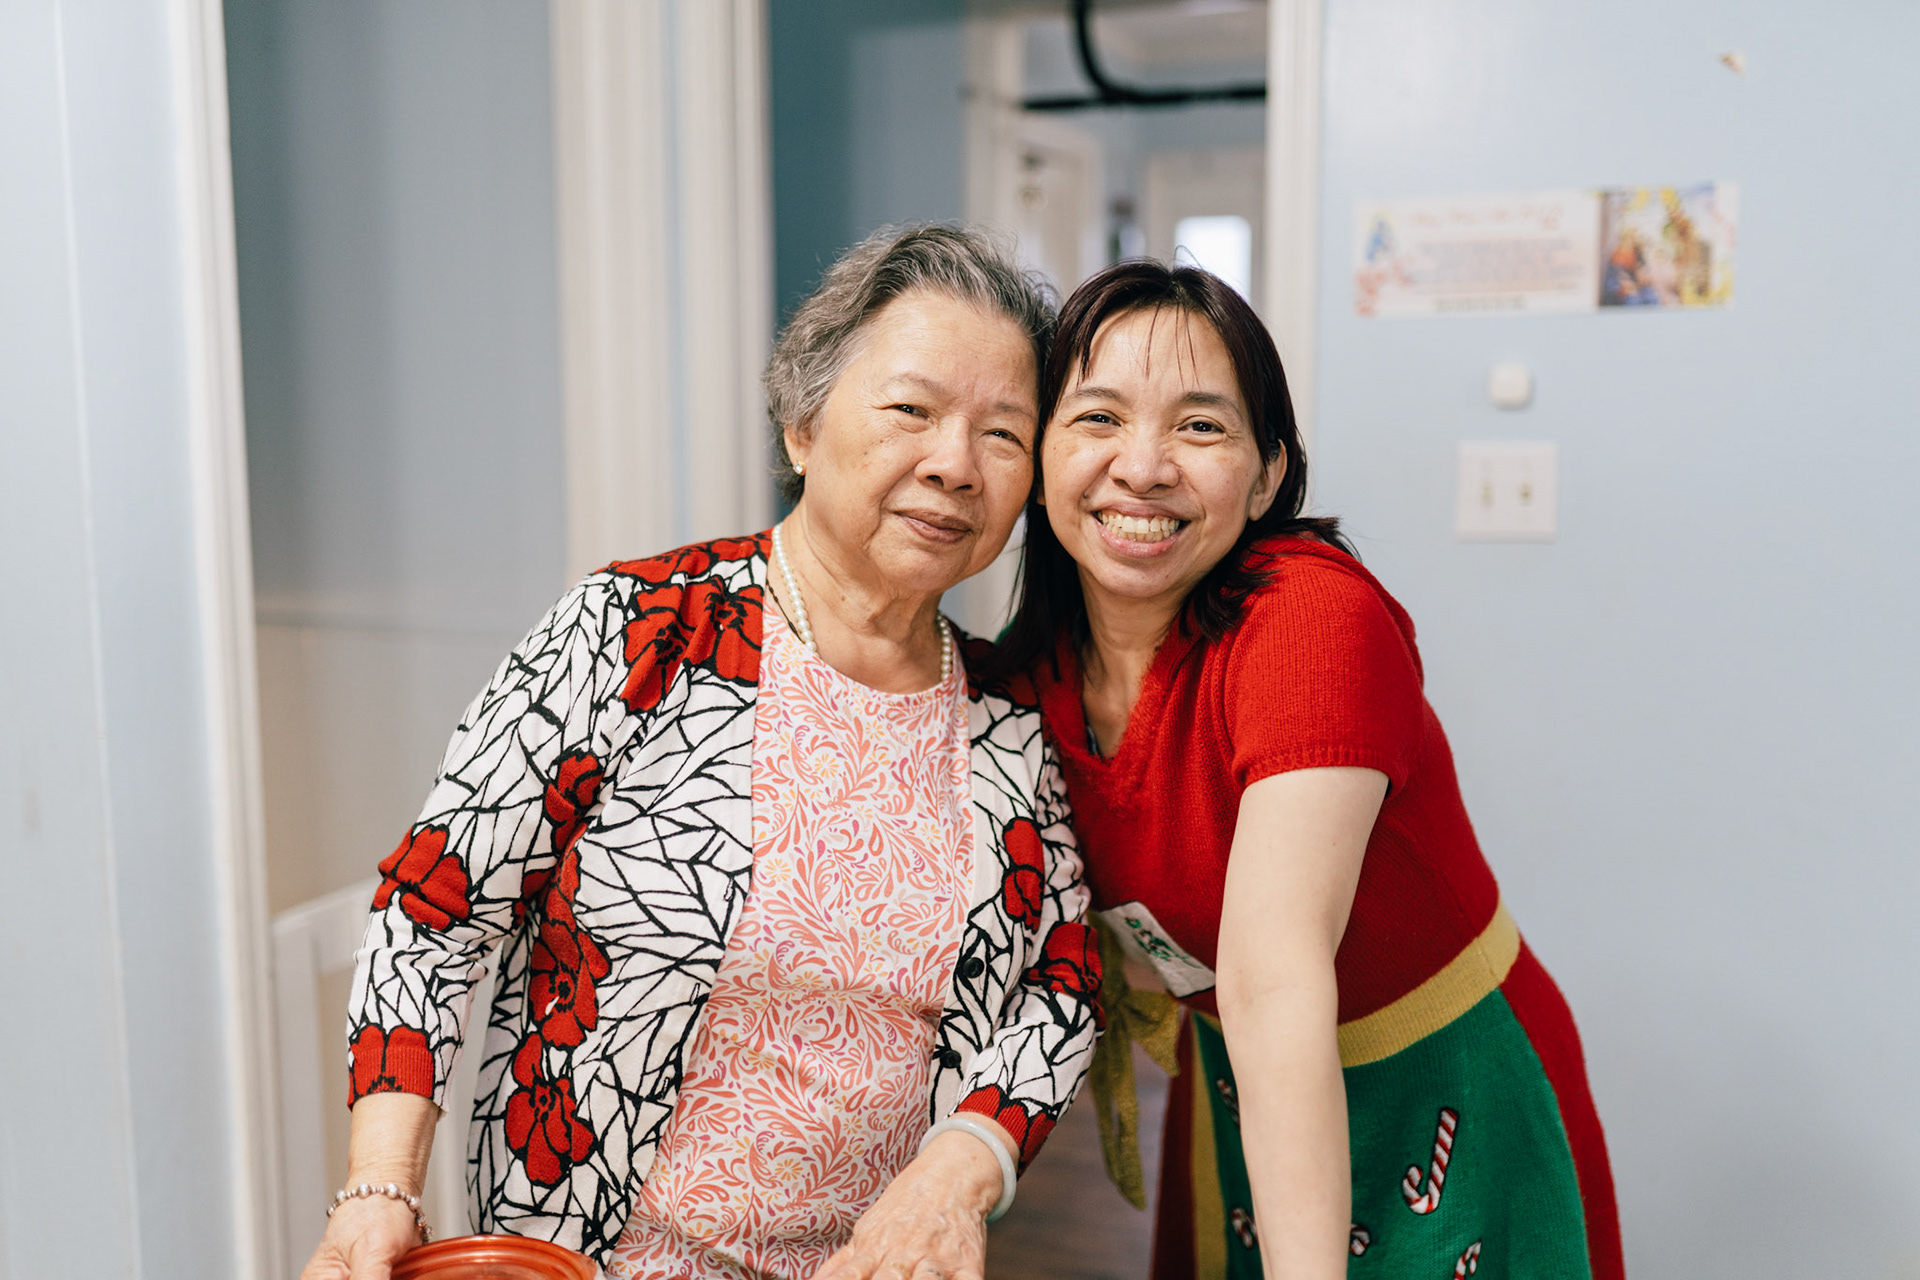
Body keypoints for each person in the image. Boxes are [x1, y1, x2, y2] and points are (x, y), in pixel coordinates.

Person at [306, 225, 1103, 1280]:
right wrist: (380, 1184)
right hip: (591, 1259)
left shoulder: (1008, 713)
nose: (954, 464)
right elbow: (432, 908)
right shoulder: (636, 630)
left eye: (1002, 433)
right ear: (803, 425)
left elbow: (1060, 980)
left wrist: (959, 1170)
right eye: (911, 410)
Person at [996, 261, 1623, 1280]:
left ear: (1267, 474)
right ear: (1038, 455)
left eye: (1201, 426)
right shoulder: (1033, 674)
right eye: (1098, 417)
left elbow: (1272, 971)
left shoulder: (1310, 622)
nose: (1142, 467)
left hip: (1448, 1091)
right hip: (1244, 1087)